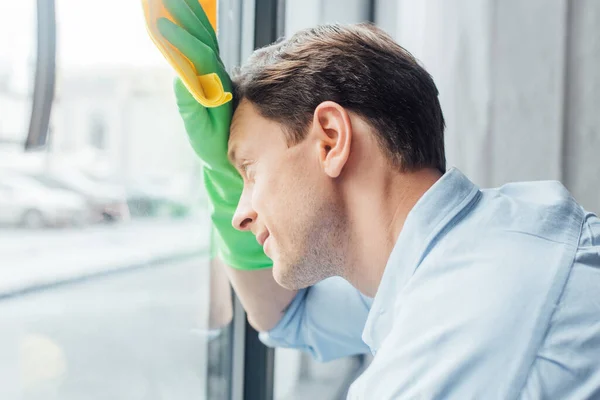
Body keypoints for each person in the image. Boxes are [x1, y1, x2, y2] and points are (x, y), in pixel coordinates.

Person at [148, 1, 600, 398]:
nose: (240, 215)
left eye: (249, 171)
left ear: (330, 140)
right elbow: (286, 318)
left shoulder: (442, 359)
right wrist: (224, 177)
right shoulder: (505, 230)